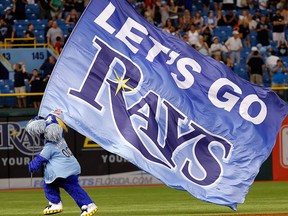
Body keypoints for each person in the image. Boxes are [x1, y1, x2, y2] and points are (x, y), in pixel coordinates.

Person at [26, 109, 98, 216]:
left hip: (62, 172)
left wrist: (32, 166)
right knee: (71, 187)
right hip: (71, 168)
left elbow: (40, 160)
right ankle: (85, 206)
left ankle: (58, 203)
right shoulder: (61, 140)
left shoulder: (50, 146)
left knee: (50, 185)